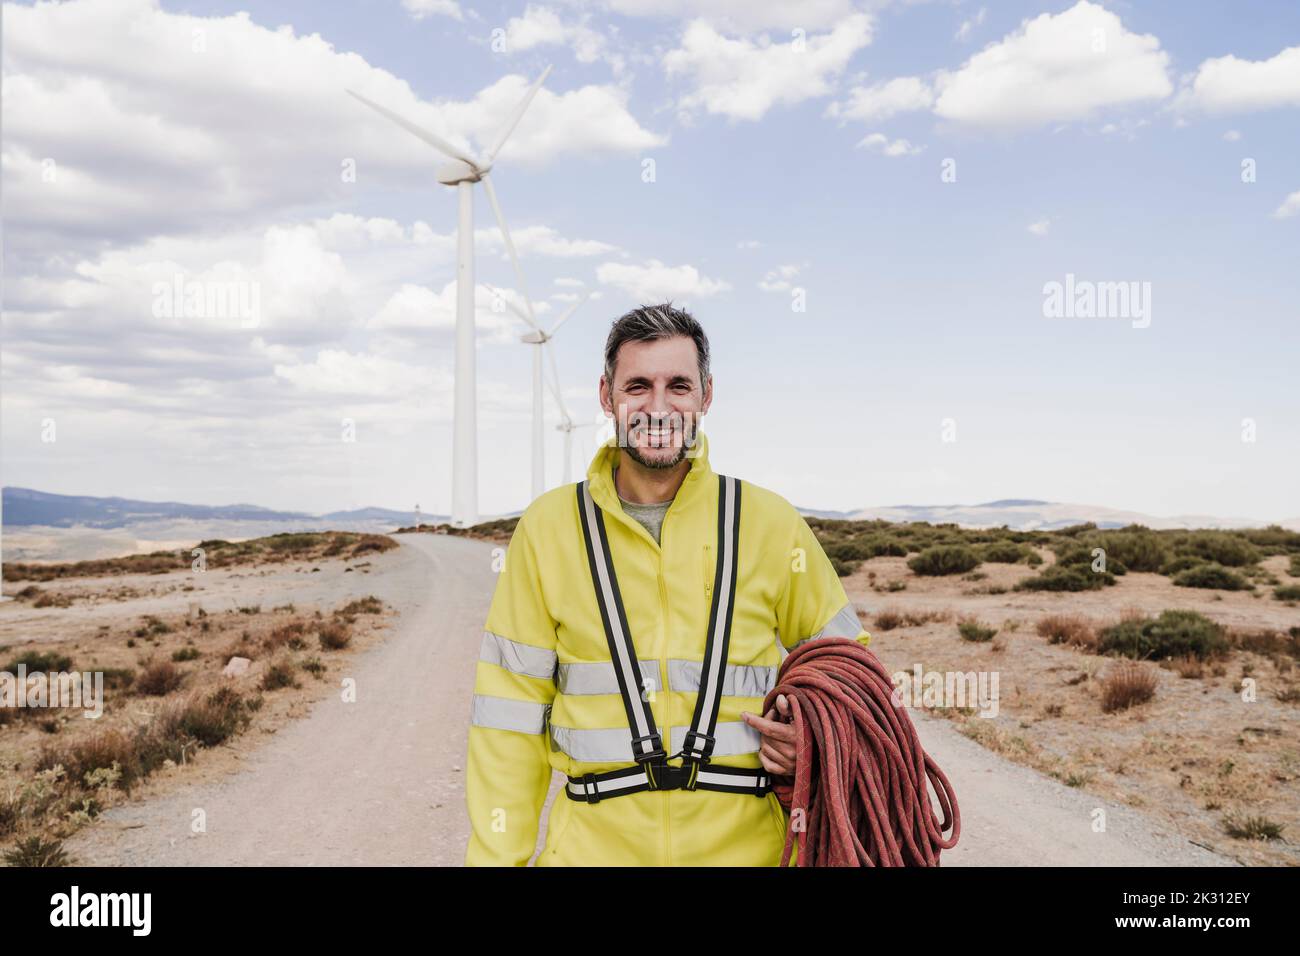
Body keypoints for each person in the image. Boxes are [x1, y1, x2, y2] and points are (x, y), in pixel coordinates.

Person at [464, 303, 871, 866]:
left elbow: (853, 674)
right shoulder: (548, 528)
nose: (658, 406)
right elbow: (508, 718)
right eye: (638, 385)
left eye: (678, 385)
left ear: (707, 394)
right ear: (606, 396)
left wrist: (818, 739)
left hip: (749, 854)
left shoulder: (770, 522)